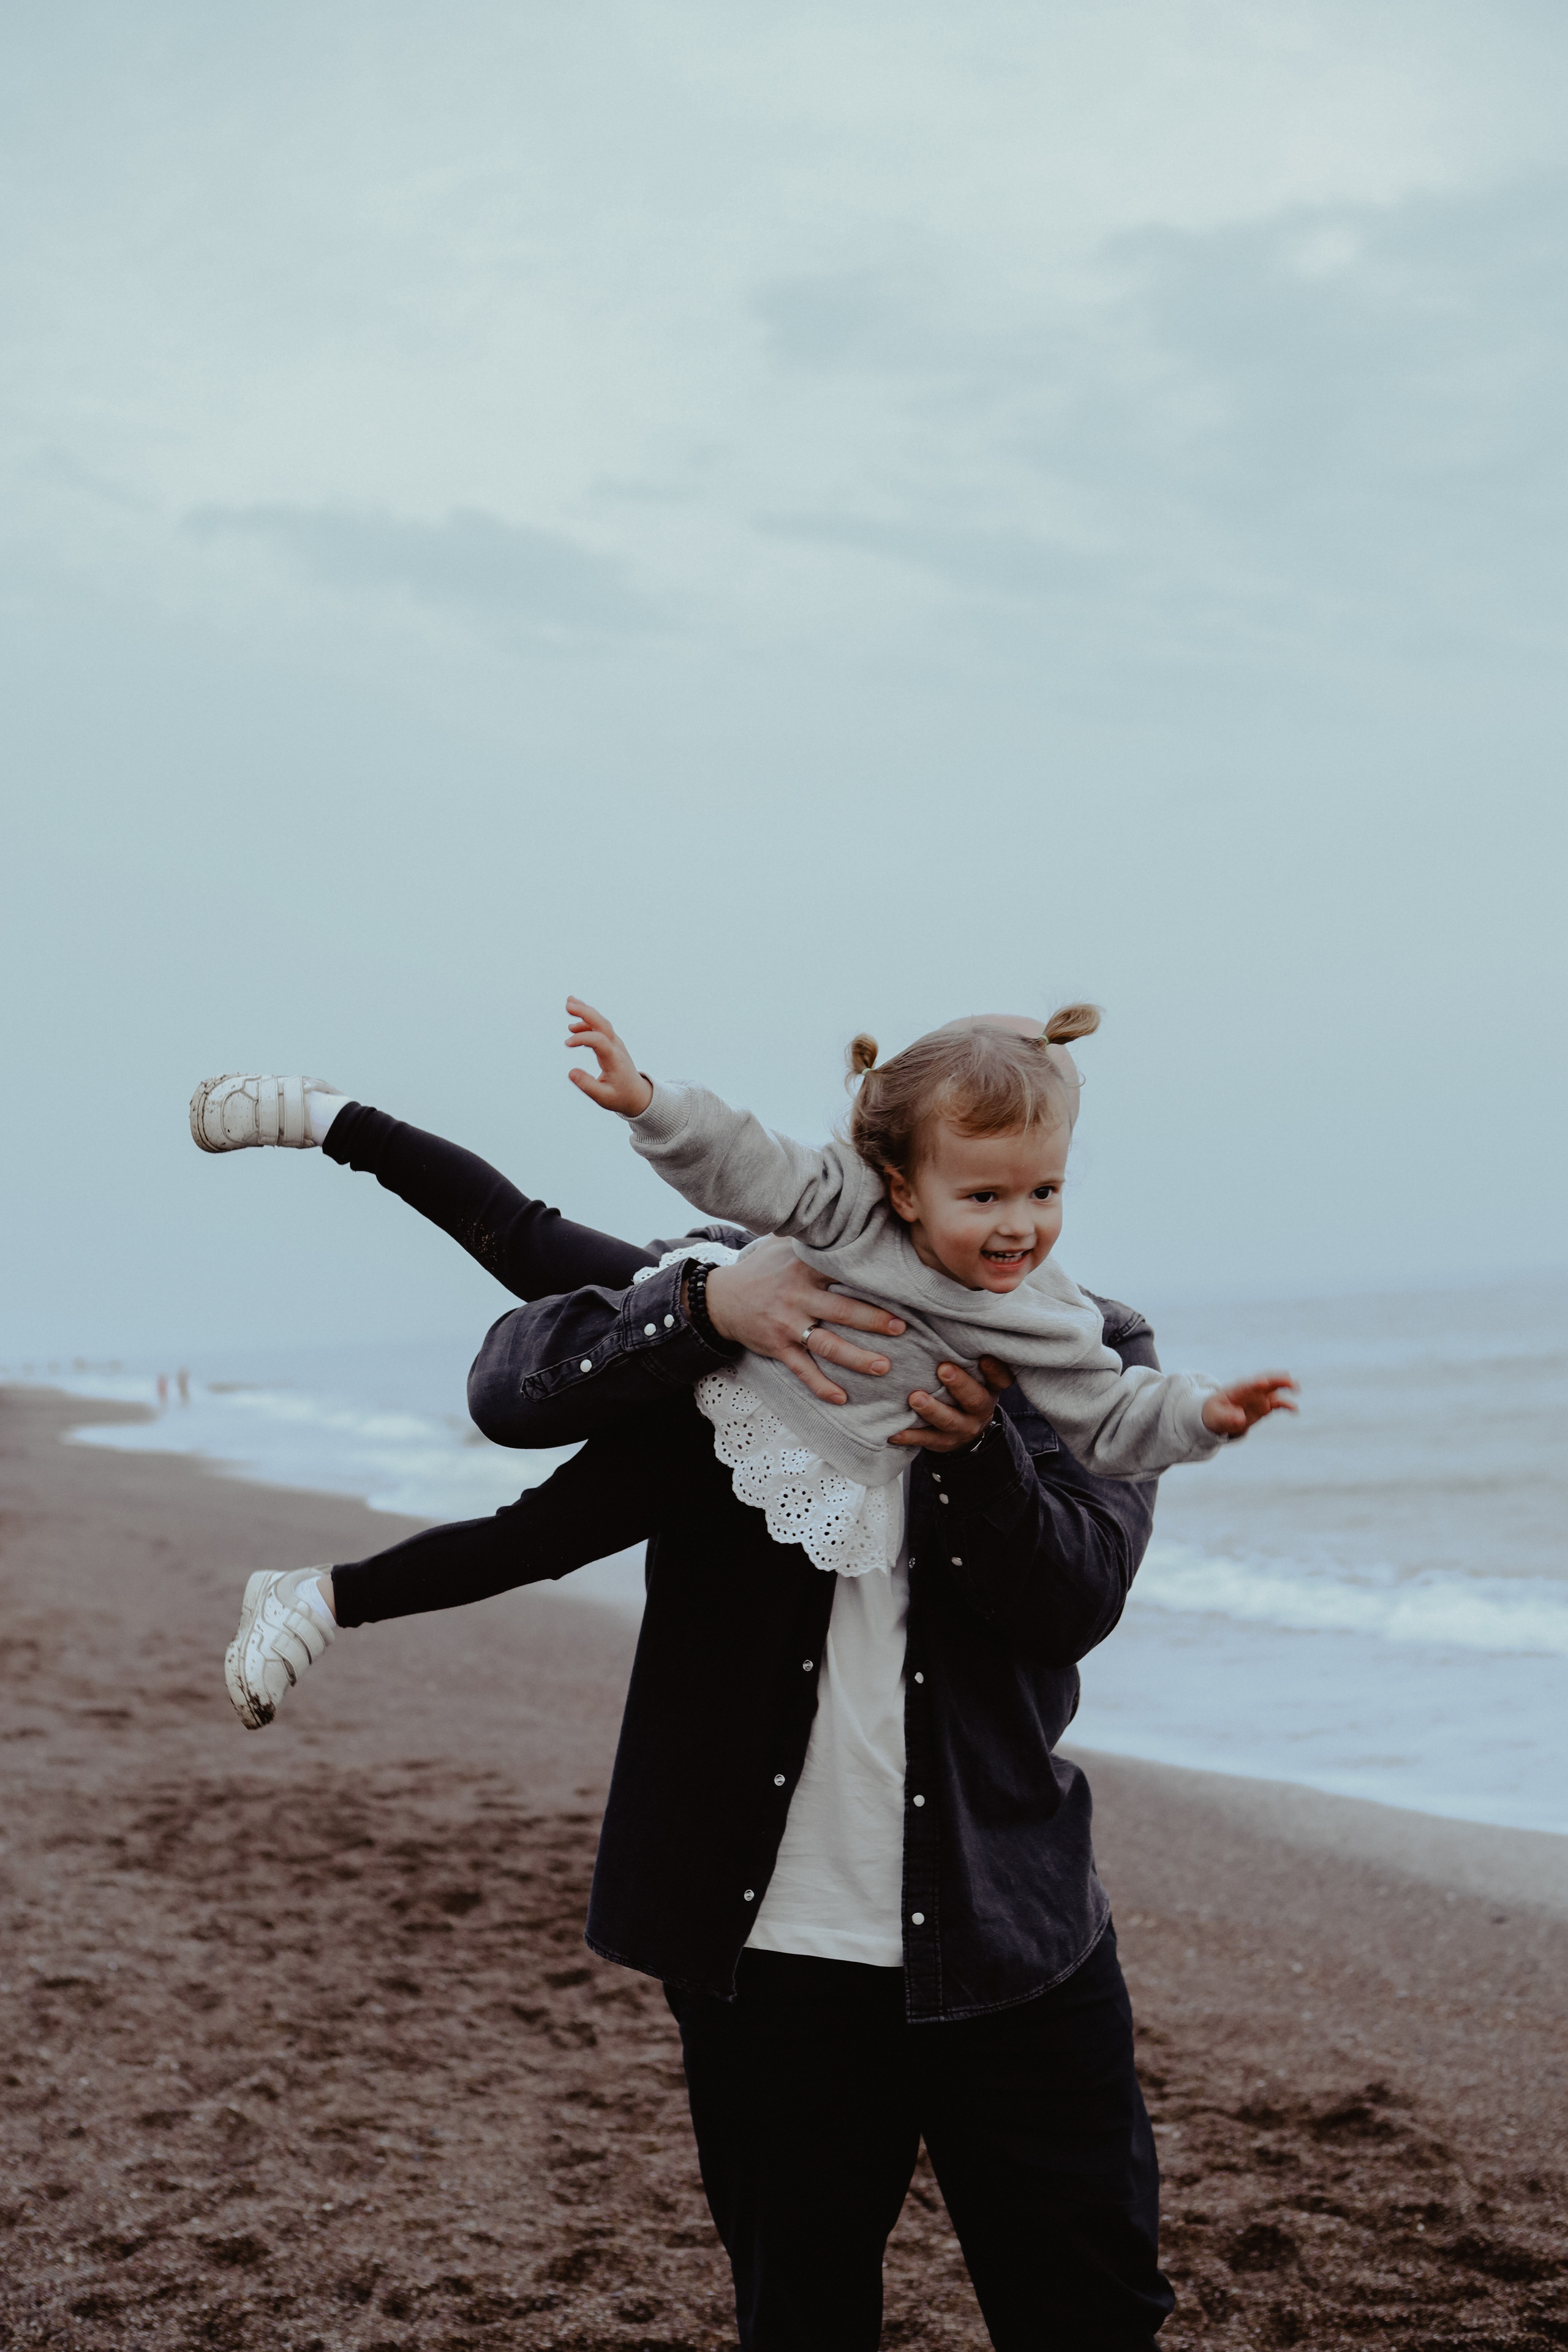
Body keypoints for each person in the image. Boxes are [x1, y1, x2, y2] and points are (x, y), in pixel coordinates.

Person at [185, 1022, 1221, 2347]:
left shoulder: (1085, 1356)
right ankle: (329, 1125)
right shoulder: (751, 1298)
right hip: (766, 1954)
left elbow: (1073, 1601)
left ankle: (323, 1585)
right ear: (892, 1188)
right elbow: (514, 1356)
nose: (1017, 1223)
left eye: (1042, 1190)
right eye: (982, 1191)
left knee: (1091, 2313)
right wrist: (700, 1313)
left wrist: (973, 1452)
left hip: (1011, 1943)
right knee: (798, 2313)